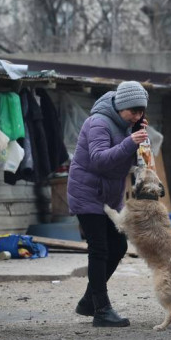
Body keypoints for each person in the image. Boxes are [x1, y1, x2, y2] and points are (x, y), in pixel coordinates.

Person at [67, 81, 149, 327]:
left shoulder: (127, 125)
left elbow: (131, 158)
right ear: (121, 106)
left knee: (118, 246)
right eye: (132, 111)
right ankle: (101, 310)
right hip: (87, 193)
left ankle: (88, 301)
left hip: (109, 198)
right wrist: (130, 141)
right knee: (100, 250)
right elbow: (100, 160)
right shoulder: (98, 123)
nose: (136, 115)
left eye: (140, 111)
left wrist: (140, 142)